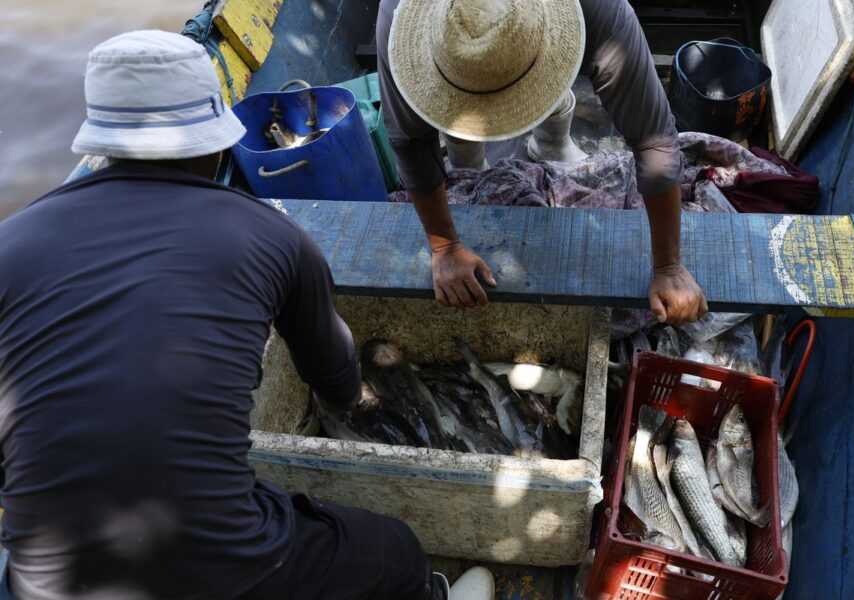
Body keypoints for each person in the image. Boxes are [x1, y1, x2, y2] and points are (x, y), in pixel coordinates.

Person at [0, 30, 491, 600]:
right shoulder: (273, 235)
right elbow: (336, 382)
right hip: (221, 567)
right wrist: (354, 401)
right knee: (398, 553)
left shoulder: (9, 242)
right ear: (214, 145)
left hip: (41, 582)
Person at [378, 0, 708, 325]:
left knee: (534, 81)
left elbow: (653, 139)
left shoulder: (601, 11)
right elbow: (410, 143)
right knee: (462, 128)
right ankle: (467, 154)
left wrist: (669, 267)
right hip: (454, 80)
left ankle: (550, 140)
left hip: (553, 43)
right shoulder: (398, 22)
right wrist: (445, 246)